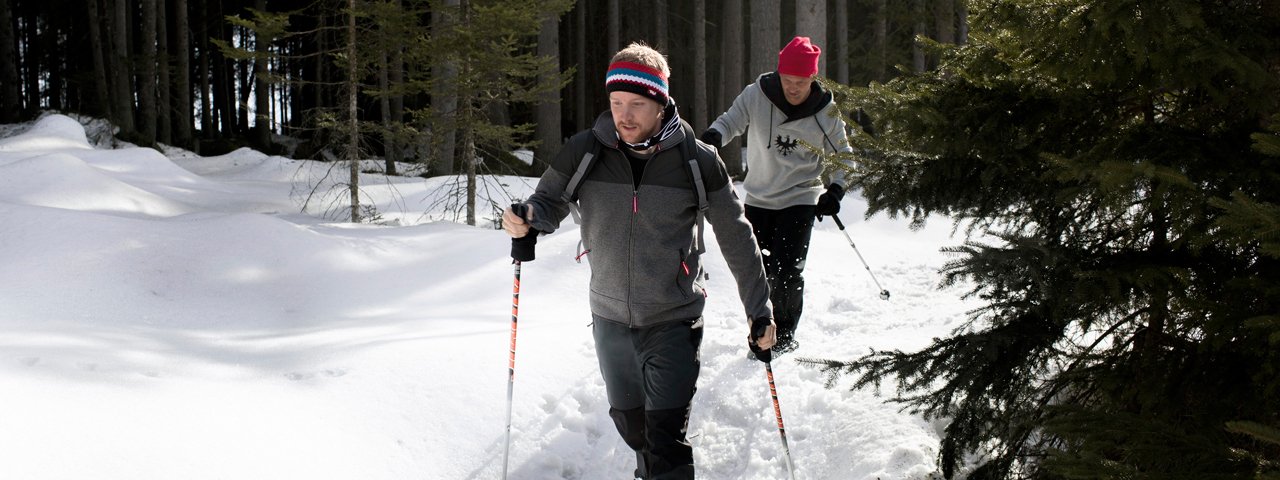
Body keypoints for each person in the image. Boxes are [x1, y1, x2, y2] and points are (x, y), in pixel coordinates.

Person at [501, 42, 777, 480]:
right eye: (615, 104)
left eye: (636, 105)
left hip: (673, 316)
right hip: (609, 315)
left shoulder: (697, 162)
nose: (624, 116)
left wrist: (759, 311)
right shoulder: (585, 151)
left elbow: (737, 237)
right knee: (633, 426)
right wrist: (526, 219)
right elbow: (547, 200)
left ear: (661, 104)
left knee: (665, 440)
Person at [700, 36, 856, 356]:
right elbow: (731, 121)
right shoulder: (757, 94)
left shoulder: (824, 110)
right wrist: (715, 136)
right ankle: (760, 333)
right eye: (787, 80)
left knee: (787, 272)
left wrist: (836, 189)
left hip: (800, 197)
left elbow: (843, 155)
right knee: (758, 274)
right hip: (757, 198)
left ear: (812, 78)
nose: (793, 88)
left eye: (800, 82)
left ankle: (783, 337)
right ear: (779, 74)